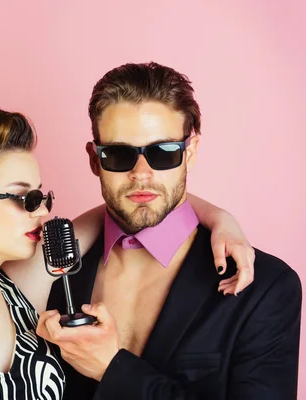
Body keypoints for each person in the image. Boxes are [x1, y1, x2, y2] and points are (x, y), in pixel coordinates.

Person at [0, 100, 256, 400]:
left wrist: (221, 219)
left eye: (42, 196)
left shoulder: (27, 298)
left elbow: (133, 202)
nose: (44, 210)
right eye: (23, 198)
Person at [36, 62, 302, 399]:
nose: (141, 173)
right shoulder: (56, 274)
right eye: (119, 155)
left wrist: (113, 370)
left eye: (163, 153)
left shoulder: (264, 287)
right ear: (94, 159)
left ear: (189, 153)